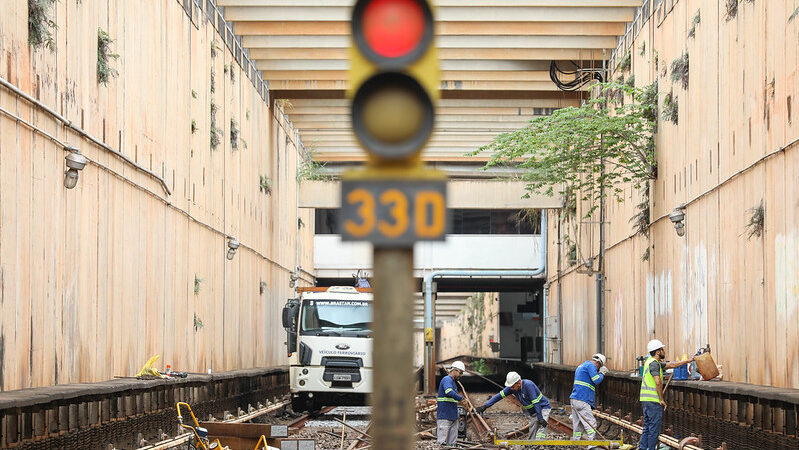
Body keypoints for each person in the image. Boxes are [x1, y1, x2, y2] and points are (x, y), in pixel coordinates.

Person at [639, 339, 693, 450]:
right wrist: (661, 399)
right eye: (662, 349)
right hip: (653, 401)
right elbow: (658, 381)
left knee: (647, 428)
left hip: (646, 400)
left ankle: (643, 448)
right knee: (653, 430)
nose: (664, 351)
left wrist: (688, 361)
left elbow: (672, 364)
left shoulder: (651, 362)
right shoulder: (654, 364)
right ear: (658, 352)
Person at [475, 371, 551, 440]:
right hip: (533, 411)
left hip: (542, 407)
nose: (511, 388)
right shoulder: (512, 388)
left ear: (518, 383)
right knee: (533, 429)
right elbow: (498, 396)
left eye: (512, 386)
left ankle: (539, 444)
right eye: (510, 386)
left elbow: (536, 402)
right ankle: (531, 445)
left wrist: (540, 418)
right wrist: (485, 406)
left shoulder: (528, 385)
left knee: (542, 426)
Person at [569, 353, 608, 448]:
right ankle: (591, 446)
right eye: (600, 366)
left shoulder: (582, 365)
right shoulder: (591, 366)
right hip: (582, 399)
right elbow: (596, 380)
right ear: (598, 362)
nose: (598, 369)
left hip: (574, 399)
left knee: (578, 425)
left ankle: (576, 444)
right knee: (591, 423)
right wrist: (602, 373)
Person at [437, 361, 465, 446]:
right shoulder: (446, 380)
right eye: (460, 373)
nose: (461, 375)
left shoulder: (453, 383)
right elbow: (449, 392)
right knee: (442, 443)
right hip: (444, 416)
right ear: (454, 370)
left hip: (452, 416)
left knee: (452, 444)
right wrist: (461, 399)